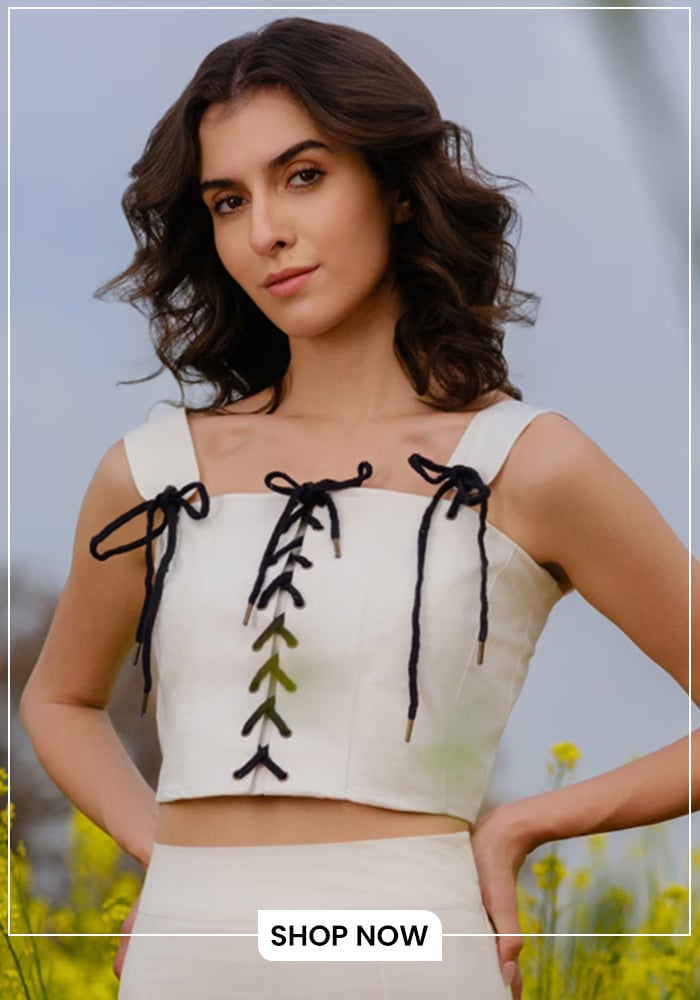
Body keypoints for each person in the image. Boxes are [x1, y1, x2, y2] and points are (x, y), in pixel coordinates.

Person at [19, 16, 696, 1000]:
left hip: (399, 946)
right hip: (180, 956)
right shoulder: (153, 471)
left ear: (393, 186)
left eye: (303, 175)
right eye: (226, 199)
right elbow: (58, 697)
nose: (265, 231)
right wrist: (164, 852)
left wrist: (523, 824)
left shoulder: (522, 462)